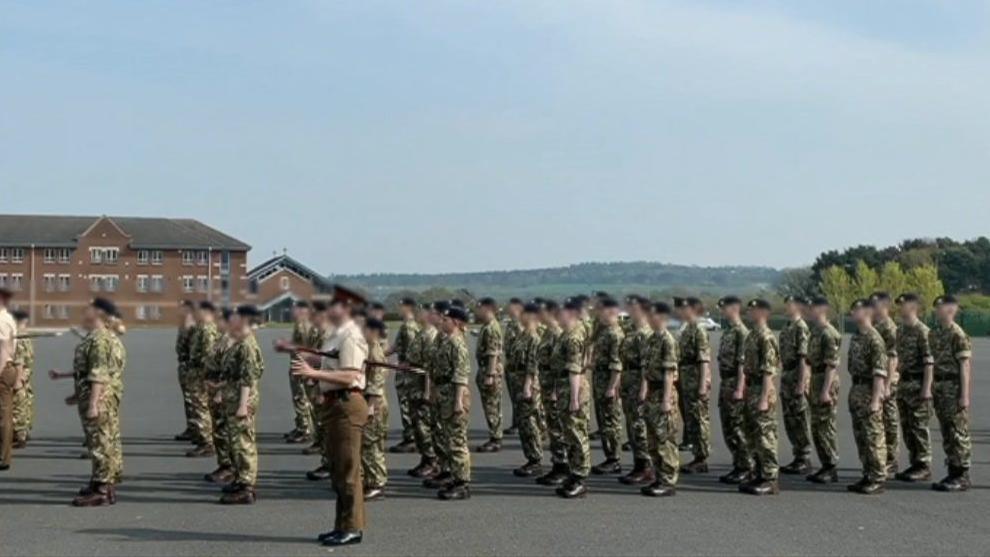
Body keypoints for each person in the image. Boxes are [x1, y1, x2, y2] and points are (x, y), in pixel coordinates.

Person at [291, 290, 369, 547]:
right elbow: (331, 365)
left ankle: (353, 528)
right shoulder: (334, 335)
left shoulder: (351, 336)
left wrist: (314, 371)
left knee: (348, 471)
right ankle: (341, 525)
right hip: (335, 405)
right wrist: (314, 362)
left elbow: (349, 376)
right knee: (337, 470)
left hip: (348, 403)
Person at [49, 298, 126, 506]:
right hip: (105, 398)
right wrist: (67, 379)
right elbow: (88, 370)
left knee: (100, 442)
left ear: (99, 313)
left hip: (100, 400)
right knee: (104, 440)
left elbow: (99, 374)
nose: (84, 312)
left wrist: (93, 404)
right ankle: (102, 483)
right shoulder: (104, 337)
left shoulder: (100, 340)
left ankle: (102, 489)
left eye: (89, 309)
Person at [218, 305, 265, 504]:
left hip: (242, 399)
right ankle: (240, 478)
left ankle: (247, 487)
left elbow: (249, 377)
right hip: (234, 397)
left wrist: (243, 405)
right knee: (236, 442)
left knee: (244, 443)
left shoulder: (247, 344)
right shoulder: (239, 342)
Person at [929, 295, 973, 492]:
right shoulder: (935, 333)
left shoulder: (958, 334)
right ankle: (953, 471)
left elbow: (965, 365)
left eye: (940, 307)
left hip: (953, 387)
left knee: (958, 431)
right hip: (940, 387)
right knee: (947, 431)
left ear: (951, 309)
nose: (936, 310)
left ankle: (962, 474)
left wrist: (964, 395)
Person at [737, 299, 781, 496]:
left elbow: (768, 371)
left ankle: (770, 478)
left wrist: (764, 397)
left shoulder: (766, 337)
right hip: (752, 388)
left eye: (752, 310)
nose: (748, 312)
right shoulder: (752, 335)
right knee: (753, 433)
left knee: (765, 434)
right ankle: (759, 473)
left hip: (763, 389)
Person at [845, 298, 888, 495]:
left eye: (856, 309)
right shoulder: (856, 337)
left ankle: (878, 477)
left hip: (870, 390)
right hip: (857, 389)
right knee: (861, 436)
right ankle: (867, 473)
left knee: (874, 436)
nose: (852, 312)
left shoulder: (874, 339)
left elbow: (879, 373)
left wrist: (876, 400)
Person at [892, 293, 935, 482]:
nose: (899, 308)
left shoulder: (923, 332)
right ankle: (915, 463)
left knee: (919, 426)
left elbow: (929, 363)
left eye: (902, 305)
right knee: (907, 426)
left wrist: (926, 389)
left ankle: (924, 465)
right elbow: (898, 359)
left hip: (918, 384)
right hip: (904, 384)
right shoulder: (900, 331)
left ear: (913, 307)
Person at [552, 299, 592, 498]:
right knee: (569, 433)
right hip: (564, 387)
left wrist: (575, 398)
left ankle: (580, 477)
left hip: (572, 388)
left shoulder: (574, 337)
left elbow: (576, 370)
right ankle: (574, 473)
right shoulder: (565, 335)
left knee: (577, 434)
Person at [431, 306, 473, 500]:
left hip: (454, 395)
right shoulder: (446, 342)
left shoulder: (458, 344)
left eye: (446, 320)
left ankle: (463, 483)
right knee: (448, 439)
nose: (442, 322)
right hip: (444, 395)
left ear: (456, 322)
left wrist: (458, 402)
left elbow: (461, 376)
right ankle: (455, 477)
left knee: (457, 441)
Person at [640, 301, 681, 497]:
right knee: (653, 439)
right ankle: (658, 476)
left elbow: (669, 373)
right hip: (652, 393)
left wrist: (666, 399)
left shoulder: (668, 341)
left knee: (665, 438)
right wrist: (645, 391)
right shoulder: (651, 339)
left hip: (664, 393)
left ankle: (668, 481)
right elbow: (647, 370)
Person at [715, 295, 752, 484]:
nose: (721, 311)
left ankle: (746, 466)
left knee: (738, 427)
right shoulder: (728, 332)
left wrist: (740, 388)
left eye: (723, 308)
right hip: (726, 383)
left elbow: (742, 364)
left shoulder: (741, 333)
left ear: (734, 308)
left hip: (735, 383)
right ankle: (738, 465)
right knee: (728, 427)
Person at [805, 296, 842, 484]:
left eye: (811, 308)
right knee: (817, 427)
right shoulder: (815, 332)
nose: (808, 311)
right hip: (816, 380)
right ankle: (824, 465)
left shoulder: (829, 334)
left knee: (826, 426)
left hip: (826, 381)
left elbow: (831, 366)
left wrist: (826, 391)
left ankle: (831, 466)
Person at [618, 296, 654, 485]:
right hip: (628, 383)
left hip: (639, 383)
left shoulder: (646, 334)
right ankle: (638, 464)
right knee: (632, 427)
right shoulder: (631, 332)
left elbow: (646, 365)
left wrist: (644, 388)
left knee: (640, 427)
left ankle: (646, 467)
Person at [535, 301, 570, 486]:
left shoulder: (557, 334)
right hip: (547, 387)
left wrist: (556, 389)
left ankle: (563, 466)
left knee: (559, 429)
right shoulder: (547, 332)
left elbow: (560, 366)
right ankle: (557, 465)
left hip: (556, 388)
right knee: (552, 428)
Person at [676, 297, 712, 474]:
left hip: (695, 377)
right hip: (686, 378)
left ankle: (702, 457)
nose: (681, 312)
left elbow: (704, 359)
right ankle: (696, 455)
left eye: (684, 309)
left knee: (699, 419)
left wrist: (703, 384)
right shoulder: (687, 329)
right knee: (691, 418)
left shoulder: (698, 329)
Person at [507, 303, 544, 477]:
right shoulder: (522, 335)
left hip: (527, 385)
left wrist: (528, 386)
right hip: (518, 383)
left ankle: (536, 459)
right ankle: (530, 457)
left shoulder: (534, 338)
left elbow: (532, 366)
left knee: (530, 423)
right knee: (523, 423)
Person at [778, 295, 813, 476]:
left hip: (796, 375)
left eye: (789, 304)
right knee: (789, 418)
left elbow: (803, 359)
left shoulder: (801, 328)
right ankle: (797, 455)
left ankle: (804, 457)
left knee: (799, 418)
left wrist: (801, 383)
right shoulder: (787, 328)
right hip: (787, 376)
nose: (786, 307)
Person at [590, 297, 625, 475]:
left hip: (608, 381)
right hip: (600, 379)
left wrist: (612, 387)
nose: (598, 314)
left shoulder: (615, 334)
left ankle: (614, 458)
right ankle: (609, 456)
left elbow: (617, 364)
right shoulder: (604, 331)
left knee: (611, 421)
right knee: (603, 421)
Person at [404, 303, 439, 478]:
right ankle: (425, 458)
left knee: (425, 426)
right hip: (414, 386)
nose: (418, 314)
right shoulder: (421, 333)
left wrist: (427, 391)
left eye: (421, 312)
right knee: (417, 425)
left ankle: (433, 461)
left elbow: (429, 368)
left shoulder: (431, 336)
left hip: (422, 386)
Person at [203, 308, 235, 485]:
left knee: (225, 432)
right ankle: (224, 464)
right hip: (215, 392)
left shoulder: (231, 342)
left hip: (224, 393)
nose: (217, 324)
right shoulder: (221, 339)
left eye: (220, 321)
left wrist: (220, 392)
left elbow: (229, 373)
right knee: (218, 431)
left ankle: (229, 467)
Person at [870, 292, 900, 476]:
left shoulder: (889, 328)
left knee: (889, 420)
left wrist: (887, 385)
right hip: (878, 380)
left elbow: (893, 358)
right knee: (879, 421)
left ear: (883, 306)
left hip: (889, 381)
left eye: (874, 304)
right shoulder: (876, 326)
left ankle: (892, 460)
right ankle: (882, 458)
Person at [304, 301, 334, 479]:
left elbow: (328, 365)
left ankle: (330, 464)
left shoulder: (329, 336)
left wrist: (321, 389)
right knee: (321, 425)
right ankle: (327, 461)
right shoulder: (321, 333)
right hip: (318, 384)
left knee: (327, 426)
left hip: (326, 387)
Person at [186, 302, 220, 458]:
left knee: (202, 407)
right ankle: (203, 440)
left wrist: (204, 375)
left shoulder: (207, 329)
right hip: (195, 372)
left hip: (201, 373)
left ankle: (207, 443)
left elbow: (208, 355)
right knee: (198, 406)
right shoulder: (201, 327)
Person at [362, 318, 390, 501]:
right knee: (366, 444)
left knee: (373, 444)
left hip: (375, 403)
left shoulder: (375, 352)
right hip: (369, 400)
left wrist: (370, 406)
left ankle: (377, 483)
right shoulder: (368, 348)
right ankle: (369, 479)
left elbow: (377, 381)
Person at [387, 298, 420, 454]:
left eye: (400, 307)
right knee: (405, 406)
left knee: (407, 406)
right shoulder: (405, 327)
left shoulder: (409, 327)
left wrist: (407, 364)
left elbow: (413, 350)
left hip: (407, 373)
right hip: (403, 371)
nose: (398, 309)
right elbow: (395, 347)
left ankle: (411, 438)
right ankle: (410, 436)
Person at [474, 297, 505, 453]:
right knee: (490, 405)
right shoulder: (487, 327)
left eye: (479, 309)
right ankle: (494, 435)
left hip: (489, 370)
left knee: (492, 406)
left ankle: (495, 438)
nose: (476, 311)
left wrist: (490, 374)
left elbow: (493, 353)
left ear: (487, 309)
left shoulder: (492, 328)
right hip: (485, 369)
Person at [284, 301, 314, 444]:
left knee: (300, 397)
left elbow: (307, 349)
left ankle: (305, 429)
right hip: (297, 365)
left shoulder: (304, 326)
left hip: (301, 366)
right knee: (298, 397)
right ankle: (300, 424)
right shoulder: (299, 325)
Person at [174, 300, 197, 441]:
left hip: (191, 368)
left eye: (181, 308)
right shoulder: (183, 325)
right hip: (184, 366)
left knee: (195, 401)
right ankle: (192, 427)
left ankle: (198, 429)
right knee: (188, 400)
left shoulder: (193, 327)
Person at [0, 287, 17, 471]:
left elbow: (4, 349)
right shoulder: (7, 318)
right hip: (6, 368)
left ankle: (3, 458)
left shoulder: (2, 320)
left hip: (3, 369)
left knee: (3, 415)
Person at [11, 310, 34, 448]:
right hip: (26, 375)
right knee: (25, 403)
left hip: (19, 375)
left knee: (17, 404)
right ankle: (24, 431)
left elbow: (19, 360)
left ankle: (20, 436)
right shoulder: (27, 336)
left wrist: (17, 379)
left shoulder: (18, 337)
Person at [502, 298, 525, 436]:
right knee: (514, 397)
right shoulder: (511, 324)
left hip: (518, 367)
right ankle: (516, 423)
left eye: (510, 307)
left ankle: (522, 424)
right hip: (510, 365)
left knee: (520, 397)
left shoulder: (521, 324)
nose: (508, 309)